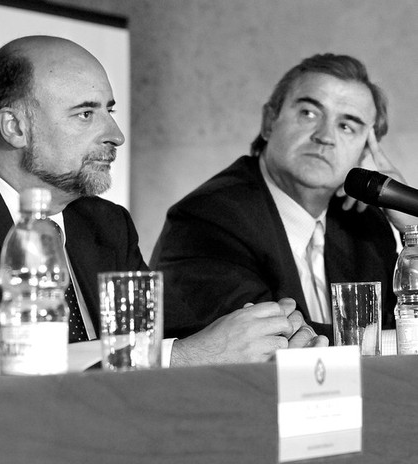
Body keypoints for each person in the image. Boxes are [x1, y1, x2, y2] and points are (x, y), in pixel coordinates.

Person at [0, 35, 326, 368]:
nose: (115, 135)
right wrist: (190, 355)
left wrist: (263, 330)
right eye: (86, 113)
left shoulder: (105, 221)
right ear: (14, 127)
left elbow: (162, 333)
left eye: (109, 111)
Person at [151, 53, 406, 341]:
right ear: (270, 121)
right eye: (309, 113)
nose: (325, 136)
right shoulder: (208, 219)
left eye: (347, 126)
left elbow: (409, 315)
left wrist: (412, 229)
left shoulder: (363, 224)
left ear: (364, 152)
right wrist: (391, 338)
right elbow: (274, 342)